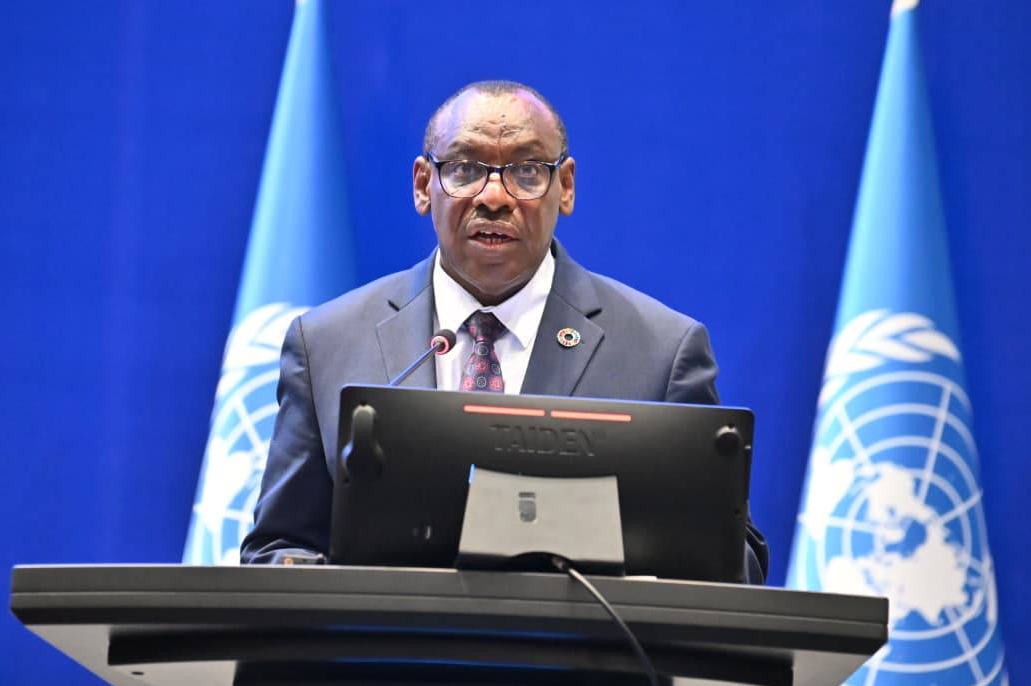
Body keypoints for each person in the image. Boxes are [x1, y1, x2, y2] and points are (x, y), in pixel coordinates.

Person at [240, 80, 768, 583]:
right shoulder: (327, 344)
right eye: (465, 169)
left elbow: (730, 563)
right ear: (423, 186)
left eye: (527, 171)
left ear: (565, 187)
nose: (494, 196)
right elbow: (278, 548)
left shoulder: (660, 352)